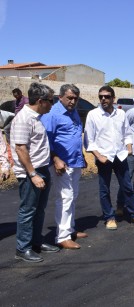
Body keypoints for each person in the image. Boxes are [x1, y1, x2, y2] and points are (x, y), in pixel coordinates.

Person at [84, 85, 134, 230]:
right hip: (104, 157)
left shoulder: (121, 114)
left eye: (107, 96)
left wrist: (129, 148)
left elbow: (127, 133)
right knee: (104, 189)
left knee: (127, 187)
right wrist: (98, 156)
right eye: (101, 96)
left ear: (113, 98)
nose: (103, 99)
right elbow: (89, 140)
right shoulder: (93, 115)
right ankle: (109, 217)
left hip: (120, 155)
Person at [10, 83, 60, 263]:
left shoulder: (36, 117)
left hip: (41, 169)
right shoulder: (24, 118)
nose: (52, 104)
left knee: (39, 210)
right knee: (28, 211)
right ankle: (22, 248)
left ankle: (36, 242)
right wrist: (33, 174)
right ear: (40, 101)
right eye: (51, 101)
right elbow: (21, 149)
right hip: (31, 173)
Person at [40, 84, 87, 250]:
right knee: (65, 198)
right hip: (61, 164)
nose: (73, 101)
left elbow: (74, 136)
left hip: (75, 161)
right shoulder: (53, 114)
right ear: (60, 97)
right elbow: (46, 140)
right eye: (70, 98)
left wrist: (81, 157)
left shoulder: (73, 112)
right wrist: (55, 158)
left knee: (73, 196)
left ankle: (70, 229)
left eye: (75, 98)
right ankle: (62, 236)